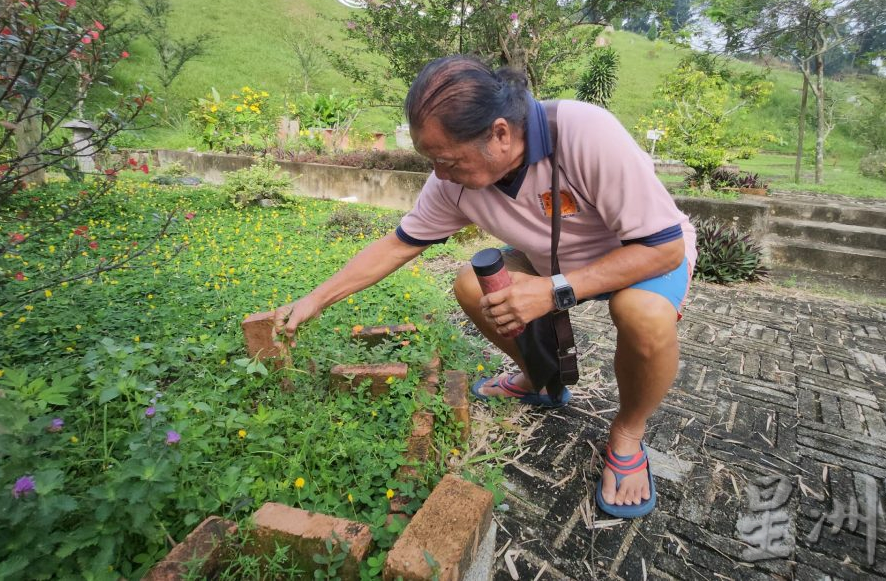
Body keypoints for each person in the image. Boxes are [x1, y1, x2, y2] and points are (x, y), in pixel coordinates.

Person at [273, 55, 696, 519]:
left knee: (642, 314)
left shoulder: (583, 132)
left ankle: (628, 434)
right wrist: (315, 298)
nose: (439, 174)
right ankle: (539, 378)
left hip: (640, 254)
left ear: (499, 133)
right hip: (552, 262)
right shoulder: (452, 182)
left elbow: (663, 248)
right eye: (431, 161)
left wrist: (553, 290)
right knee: (472, 284)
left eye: (447, 160)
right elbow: (398, 245)